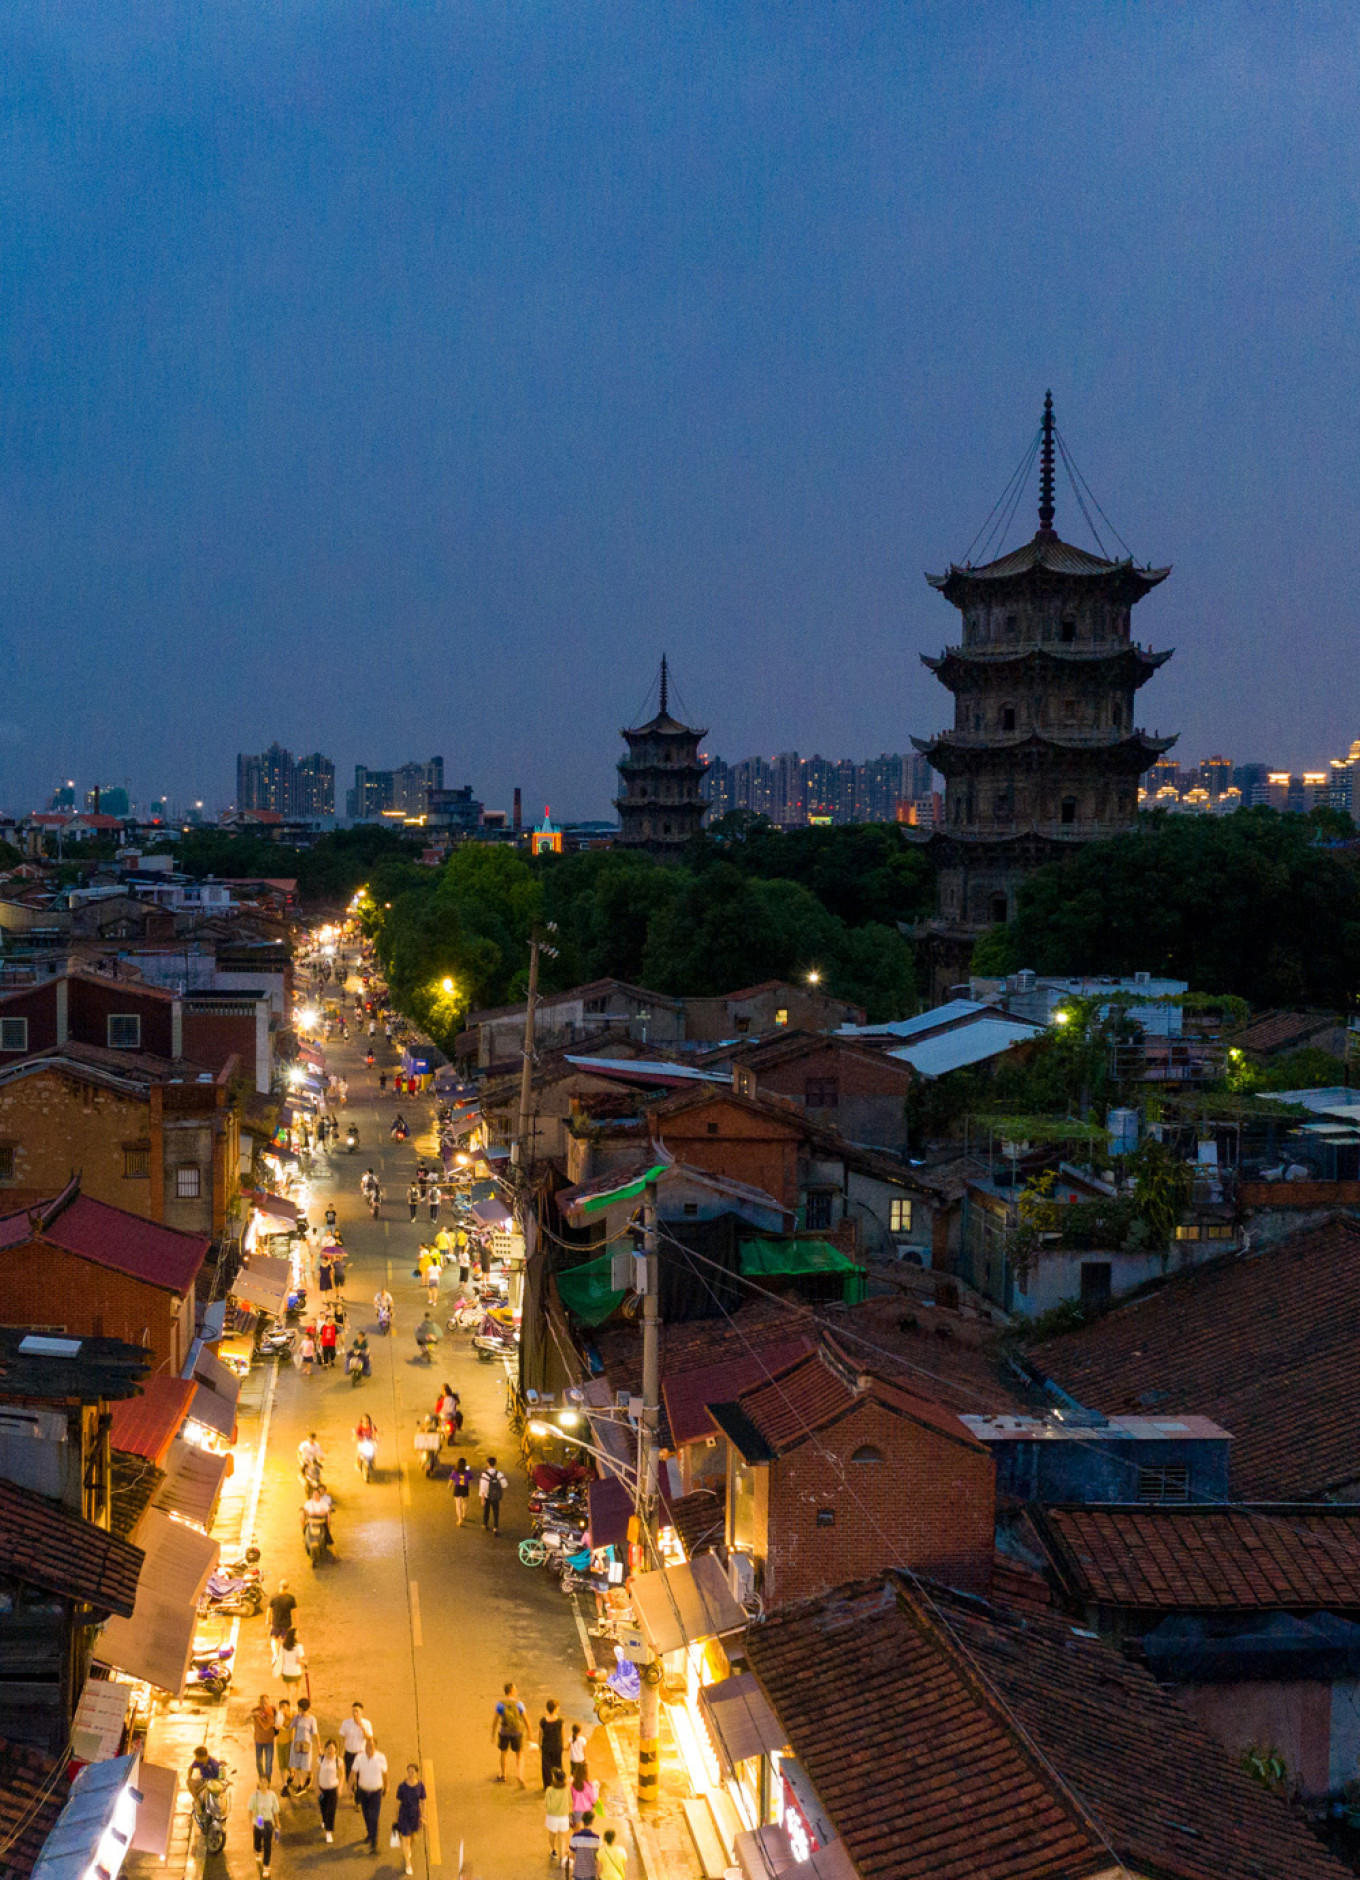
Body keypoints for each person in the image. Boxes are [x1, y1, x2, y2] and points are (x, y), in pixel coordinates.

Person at [350, 1735, 389, 1852]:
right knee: (366, 1815)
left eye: (371, 1746)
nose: (369, 1748)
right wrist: (349, 1787)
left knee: (374, 1817)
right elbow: (353, 1772)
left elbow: (385, 1774)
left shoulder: (381, 1758)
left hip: (376, 1792)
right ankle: (370, 1834)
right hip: (363, 1790)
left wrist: (387, 1787)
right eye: (367, 1746)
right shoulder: (359, 1757)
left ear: (375, 1747)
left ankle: (374, 1842)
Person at [491, 1682, 529, 1785]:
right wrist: (529, 1731)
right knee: (519, 1754)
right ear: (512, 1691)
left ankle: (503, 1775)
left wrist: (493, 1734)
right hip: (517, 1732)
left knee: (503, 1753)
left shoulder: (500, 1704)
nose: (516, 1691)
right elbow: (525, 1719)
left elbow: (495, 1721)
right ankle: (520, 1775)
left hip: (504, 1731)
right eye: (515, 1689)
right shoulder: (519, 1704)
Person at [282, 1696, 318, 1796]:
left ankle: (310, 1776)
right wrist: (281, 1726)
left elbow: (315, 1733)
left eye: (299, 1707)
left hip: (306, 1744)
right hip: (297, 1743)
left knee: (306, 1765)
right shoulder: (297, 1717)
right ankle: (300, 1785)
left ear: (303, 1708)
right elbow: (290, 1727)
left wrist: (319, 1747)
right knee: (298, 1766)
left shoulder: (312, 1719)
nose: (298, 1709)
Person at [394, 1763, 426, 1875]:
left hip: (415, 1815)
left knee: (413, 1838)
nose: (411, 1774)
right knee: (405, 1839)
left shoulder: (420, 1786)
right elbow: (397, 1802)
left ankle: (407, 1851)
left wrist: (423, 1816)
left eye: (413, 1772)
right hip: (404, 1815)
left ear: (417, 1773)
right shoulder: (402, 1786)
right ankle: (408, 1864)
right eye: (409, 1771)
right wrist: (396, 1816)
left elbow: (423, 1801)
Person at [249, 1776, 282, 1877]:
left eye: (265, 1782)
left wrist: (277, 1823)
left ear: (268, 1784)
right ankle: (258, 1850)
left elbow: (275, 1811)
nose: (263, 1784)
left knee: (267, 1844)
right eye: (261, 1782)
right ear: (258, 1783)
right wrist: (251, 1823)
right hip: (258, 1819)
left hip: (268, 1821)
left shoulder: (272, 1795)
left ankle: (266, 1866)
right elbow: (250, 1810)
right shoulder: (255, 1795)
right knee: (258, 1839)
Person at [268, 1582, 297, 1674]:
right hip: (286, 1623)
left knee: (274, 1639)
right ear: (287, 1587)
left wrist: (267, 1620)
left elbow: (269, 1610)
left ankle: (276, 1655)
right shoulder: (291, 1598)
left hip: (276, 1622)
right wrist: (296, 1624)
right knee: (284, 1640)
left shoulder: (273, 1597)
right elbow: (295, 1612)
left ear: (279, 1586)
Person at [544, 1768, 571, 1868]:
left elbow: (546, 1804)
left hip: (552, 1817)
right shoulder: (567, 1789)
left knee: (552, 1834)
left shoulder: (549, 1790)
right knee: (562, 1837)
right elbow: (570, 1801)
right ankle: (562, 1856)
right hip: (563, 1816)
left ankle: (553, 1850)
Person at [317, 1739, 342, 1842]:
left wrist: (340, 1788)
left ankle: (329, 1832)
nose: (330, 1750)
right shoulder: (320, 1759)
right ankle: (324, 1820)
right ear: (325, 1749)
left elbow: (342, 1774)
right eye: (328, 1748)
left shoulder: (338, 1761)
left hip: (333, 1789)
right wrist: (316, 1788)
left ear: (336, 1749)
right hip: (322, 1788)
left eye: (332, 1748)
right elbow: (316, 1774)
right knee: (323, 1808)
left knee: (331, 1810)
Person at [340, 1702, 371, 1782]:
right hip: (349, 1753)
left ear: (361, 1712)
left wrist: (362, 1727)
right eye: (353, 1711)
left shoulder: (367, 1724)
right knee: (349, 1774)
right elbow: (342, 1738)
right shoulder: (346, 1723)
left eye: (357, 1711)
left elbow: (369, 1739)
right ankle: (352, 1792)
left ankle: (359, 1793)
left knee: (360, 1776)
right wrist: (341, 1752)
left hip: (361, 1754)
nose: (355, 1713)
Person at [539, 1699, 565, 1792]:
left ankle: (547, 1786)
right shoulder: (560, 1721)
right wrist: (562, 1745)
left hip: (546, 1746)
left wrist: (540, 1745)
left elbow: (540, 1734)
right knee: (558, 1765)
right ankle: (560, 1783)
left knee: (546, 1767)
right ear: (555, 1709)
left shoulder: (543, 1721)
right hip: (557, 1746)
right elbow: (562, 1735)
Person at [566, 1810, 601, 1880]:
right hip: (591, 1873)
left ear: (582, 1821)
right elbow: (598, 1858)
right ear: (592, 1822)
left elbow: (571, 1855)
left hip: (578, 1873)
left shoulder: (575, 1837)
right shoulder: (597, 1838)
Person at [251, 1694, 278, 1782]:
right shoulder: (255, 1710)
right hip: (258, 1740)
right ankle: (262, 1778)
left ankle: (268, 1781)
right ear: (259, 1702)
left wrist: (258, 1716)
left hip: (269, 1740)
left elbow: (266, 1726)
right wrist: (256, 1714)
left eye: (266, 1703)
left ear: (269, 1702)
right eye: (262, 1703)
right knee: (258, 1762)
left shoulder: (273, 1710)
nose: (264, 1705)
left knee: (268, 1763)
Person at [480, 1455, 509, 1533]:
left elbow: (483, 1487)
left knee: (486, 1510)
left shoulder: (484, 1474)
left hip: (487, 1496)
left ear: (488, 1463)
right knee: (496, 1511)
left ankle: (485, 1524)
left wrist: (482, 1499)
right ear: (495, 1464)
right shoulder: (499, 1473)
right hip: (495, 1496)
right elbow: (505, 1485)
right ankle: (495, 1527)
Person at [278, 1626, 307, 1693]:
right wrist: (305, 1662)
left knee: (289, 1690)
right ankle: (298, 1701)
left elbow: (281, 1658)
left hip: (286, 1671)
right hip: (296, 1671)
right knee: (298, 1688)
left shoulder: (283, 1646)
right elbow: (299, 1660)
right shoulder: (298, 1646)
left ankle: (288, 1703)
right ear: (294, 1636)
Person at [450, 1455, 472, 1524]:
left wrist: (449, 1486)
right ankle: (464, 1515)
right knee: (465, 1502)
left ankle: (460, 1520)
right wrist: (468, 1469)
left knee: (458, 1505)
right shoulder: (467, 1471)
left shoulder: (455, 1471)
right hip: (465, 1488)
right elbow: (470, 1478)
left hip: (457, 1488)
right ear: (465, 1464)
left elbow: (451, 1480)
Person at [567, 1722, 588, 1787]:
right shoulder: (583, 1740)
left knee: (572, 1774)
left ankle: (571, 1786)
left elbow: (567, 1748)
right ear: (580, 1731)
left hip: (573, 1760)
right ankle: (581, 1786)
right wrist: (585, 1758)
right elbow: (584, 1751)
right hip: (581, 1760)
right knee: (581, 1774)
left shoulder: (570, 1739)